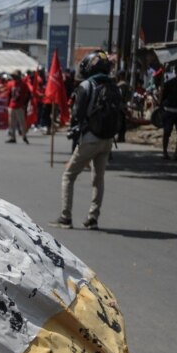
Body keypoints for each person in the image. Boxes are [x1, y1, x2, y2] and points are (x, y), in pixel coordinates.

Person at [52, 50, 121, 231]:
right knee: (98, 179)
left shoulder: (86, 86)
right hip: (107, 140)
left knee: (68, 176)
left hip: (90, 138)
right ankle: (93, 218)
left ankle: (65, 218)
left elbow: (77, 115)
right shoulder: (114, 86)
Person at [159, 63, 177, 160]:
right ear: (175, 72)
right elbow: (163, 97)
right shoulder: (169, 84)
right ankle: (164, 152)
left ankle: (176, 152)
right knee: (167, 132)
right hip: (169, 111)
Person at [4, 70, 31, 144]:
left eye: (15, 76)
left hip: (20, 106)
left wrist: (25, 105)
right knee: (11, 122)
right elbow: (9, 94)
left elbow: (28, 95)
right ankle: (12, 137)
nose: (14, 77)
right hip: (12, 106)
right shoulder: (10, 84)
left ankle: (24, 136)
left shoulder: (24, 85)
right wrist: (8, 105)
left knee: (22, 122)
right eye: (13, 76)